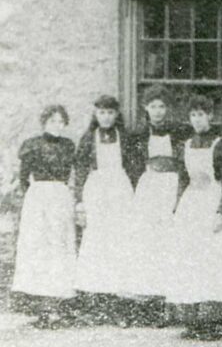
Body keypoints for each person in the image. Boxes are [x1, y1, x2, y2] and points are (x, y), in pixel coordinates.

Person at [165, 95, 222, 339]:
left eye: (201, 114)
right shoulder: (186, 145)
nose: (197, 119)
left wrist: (221, 212)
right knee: (190, 258)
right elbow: (183, 180)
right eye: (193, 115)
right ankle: (193, 321)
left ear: (210, 116)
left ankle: (213, 322)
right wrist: (176, 208)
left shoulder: (221, 144)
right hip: (191, 205)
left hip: (212, 203)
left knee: (213, 259)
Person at [11, 104, 77, 328]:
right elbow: (22, 177)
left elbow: (71, 175)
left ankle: (56, 305)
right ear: (44, 123)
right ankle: (42, 308)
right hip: (39, 197)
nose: (57, 126)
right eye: (52, 121)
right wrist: (32, 196)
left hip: (60, 196)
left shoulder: (68, 145)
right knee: (39, 248)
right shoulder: (32, 145)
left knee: (59, 246)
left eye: (61, 121)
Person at [125, 84, 186, 323]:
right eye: (153, 106)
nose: (158, 111)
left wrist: (180, 192)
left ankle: (167, 304)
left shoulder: (180, 132)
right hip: (149, 187)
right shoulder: (138, 135)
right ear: (146, 108)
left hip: (171, 186)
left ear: (168, 108)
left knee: (168, 242)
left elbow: (185, 164)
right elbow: (133, 165)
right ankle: (146, 305)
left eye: (162, 106)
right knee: (146, 243)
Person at [73, 95, 136, 320]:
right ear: (96, 115)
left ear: (116, 114)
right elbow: (80, 170)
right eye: (101, 113)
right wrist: (79, 200)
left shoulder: (125, 138)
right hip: (97, 192)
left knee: (119, 242)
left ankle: (119, 307)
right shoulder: (88, 138)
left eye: (110, 112)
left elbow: (133, 167)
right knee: (97, 243)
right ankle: (97, 305)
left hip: (120, 191)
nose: (106, 117)